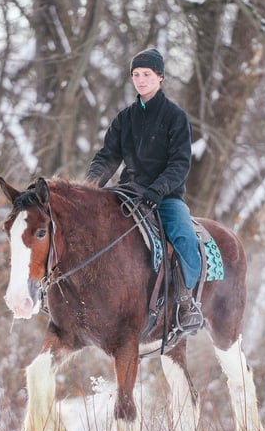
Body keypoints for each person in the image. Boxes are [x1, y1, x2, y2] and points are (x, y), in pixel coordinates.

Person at [85, 48, 203, 332]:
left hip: (165, 197)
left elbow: (180, 163)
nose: (140, 80)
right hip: (127, 193)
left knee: (185, 238)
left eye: (146, 74)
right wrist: (89, 187)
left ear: (160, 77)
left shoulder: (175, 117)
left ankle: (186, 302)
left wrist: (158, 189)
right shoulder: (124, 119)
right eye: (136, 75)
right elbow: (107, 157)